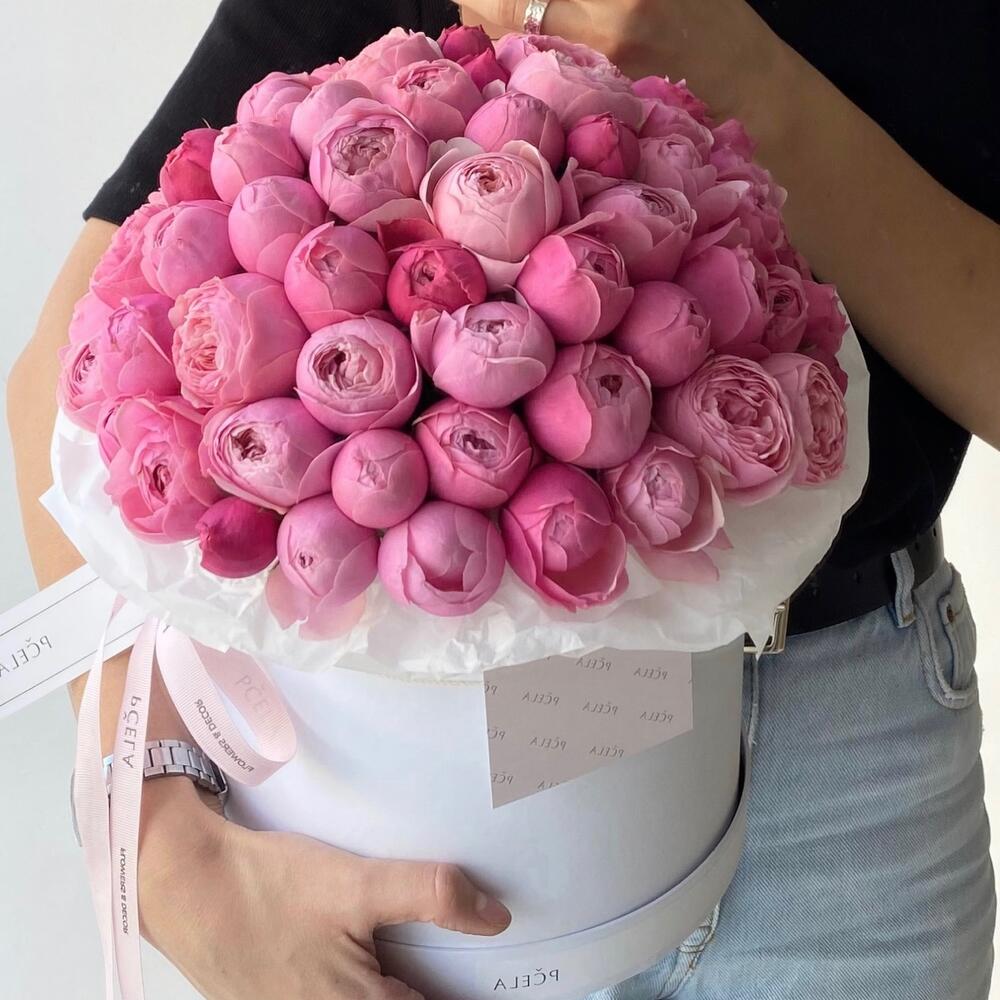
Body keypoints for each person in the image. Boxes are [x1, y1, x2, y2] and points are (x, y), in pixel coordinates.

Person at [7, 0, 998, 997]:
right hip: (423, 810)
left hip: (850, 787)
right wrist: (165, 853)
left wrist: (740, 72)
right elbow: (78, 361)